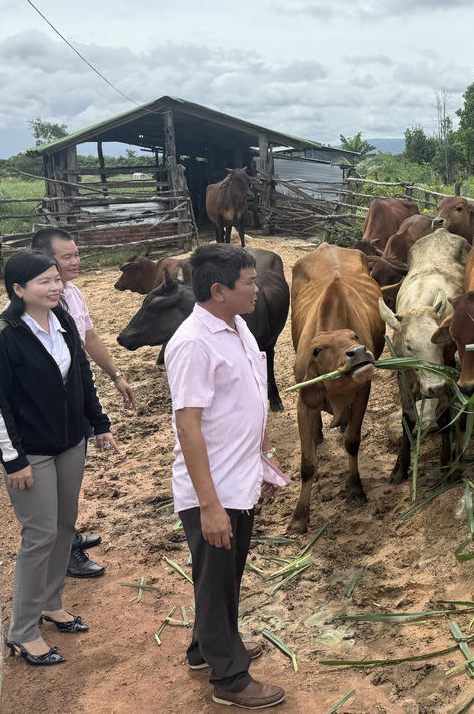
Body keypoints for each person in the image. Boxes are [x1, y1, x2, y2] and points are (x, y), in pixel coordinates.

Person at [0, 251, 118, 665]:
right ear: (18, 290)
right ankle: (21, 630)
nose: (56, 286)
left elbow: (82, 379)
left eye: (56, 278)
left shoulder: (64, 322)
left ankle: (51, 603)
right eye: (44, 281)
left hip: (72, 442)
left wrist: (98, 422)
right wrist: (12, 459)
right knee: (38, 535)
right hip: (31, 453)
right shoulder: (1, 335)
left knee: (63, 526)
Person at [166, 244, 286, 709]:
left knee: (223, 578)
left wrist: (262, 459)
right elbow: (188, 425)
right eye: (250, 283)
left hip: (239, 480)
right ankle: (230, 679)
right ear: (219, 291)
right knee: (217, 583)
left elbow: (249, 399)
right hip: (213, 491)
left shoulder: (237, 328)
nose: (259, 289)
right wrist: (210, 505)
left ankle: (205, 649)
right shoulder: (194, 343)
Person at [30, 227, 138, 579]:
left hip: (75, 399)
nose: (77, 261)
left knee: (70, 483)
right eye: (68, 257)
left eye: (77, 254)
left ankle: (69, 538)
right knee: (52, 493)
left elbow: (88, 339)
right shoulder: (23, 313)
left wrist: (116, 375)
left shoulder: (73, 294)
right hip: (45, 415)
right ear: (45, 261)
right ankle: (65, 553)